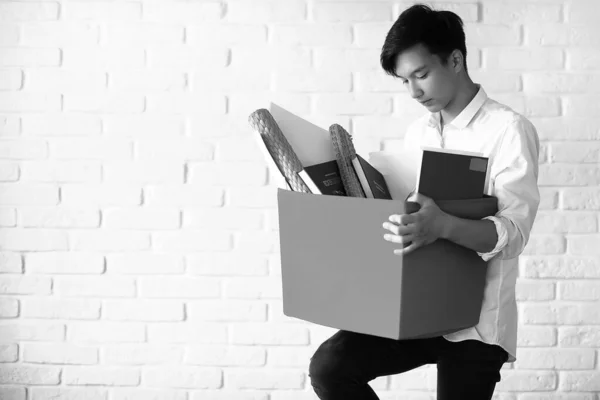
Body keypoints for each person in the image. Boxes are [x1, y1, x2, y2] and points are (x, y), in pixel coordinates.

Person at [308, 4, 540, 400]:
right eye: (405, 81)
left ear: (455, 59)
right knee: (330, 368)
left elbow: (514, 235)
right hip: (418, 308)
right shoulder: (418, 133)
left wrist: (444, 225)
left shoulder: (508, 129)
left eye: (421, 74)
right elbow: (412, 215)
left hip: (476, 323)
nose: (414, 92)